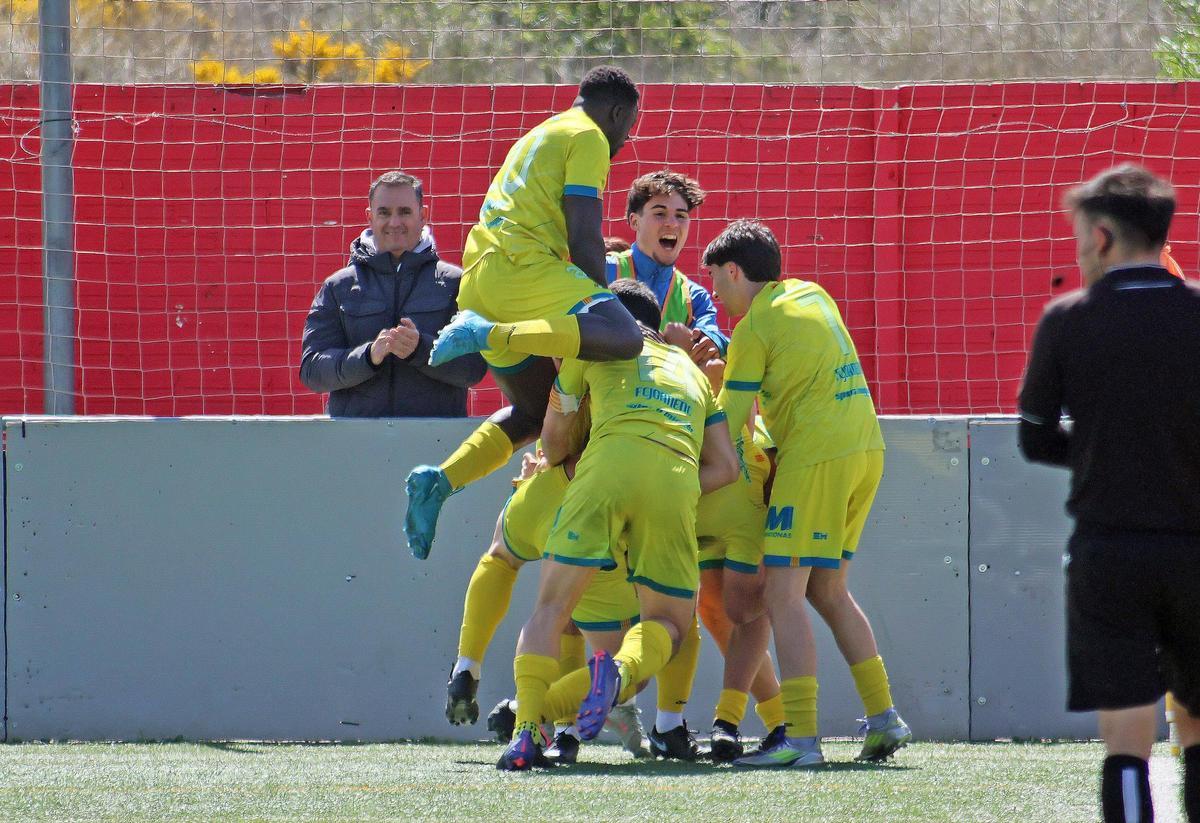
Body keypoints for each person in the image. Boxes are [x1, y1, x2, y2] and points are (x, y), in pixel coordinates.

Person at [1017, 163, 1200, 823]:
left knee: (1126, 736)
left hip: (1109, 550)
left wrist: (1102, 453)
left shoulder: (1068, 321)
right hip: (1195, 550)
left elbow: (1035, 437)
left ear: (1100, 237)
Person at [497, 278, 740, 770]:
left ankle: (526, 733)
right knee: (668, 625)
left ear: (613, 321)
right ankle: (621, 671)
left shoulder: (593, 352)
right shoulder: (692, 374)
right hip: (675, 479)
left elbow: (556, 443)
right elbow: (727, 469)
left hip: (603, 471)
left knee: (551, 609)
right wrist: (671, 483)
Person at [403, 66, 643, 559]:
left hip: (481, 278)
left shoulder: (540, 133)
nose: (625, 140)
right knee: (625, 335)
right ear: (617, 113)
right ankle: (491, 332)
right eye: (629, 126)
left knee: (533, 413)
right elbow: (583, 235)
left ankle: (440, 482)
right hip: (521, 272)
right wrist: (597, 308)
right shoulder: (591, 138)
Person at [705, 219, 910, 768]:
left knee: (781, 596)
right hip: (867, 450)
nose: (717, 296)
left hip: (815, 461)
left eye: (717, 283)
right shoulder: (812, 293)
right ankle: (884, 716)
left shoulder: (752, 329)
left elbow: (729, 419)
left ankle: (800, 739)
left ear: (733, 271)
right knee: (828, 591)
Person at [299, 172, 486, 416]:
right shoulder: (338, 287)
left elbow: (474, 368)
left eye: (405, 212)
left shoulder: (456, 283)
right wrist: (367, 356)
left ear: (423, 215)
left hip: (435, 442)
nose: (394, 222)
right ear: (370, 217)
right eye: (384, 212)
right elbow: (312, 371)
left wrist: (421, 349)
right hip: (353, 443)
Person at [606, 170, 728, 372]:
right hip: (605, 388)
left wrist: (713, 340)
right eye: (660, 213)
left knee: (715, 367)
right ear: (634, 221)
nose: (672, 223)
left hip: (667, 397)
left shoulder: (694, 296)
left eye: (681, 216)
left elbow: (713, 332)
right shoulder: (606, 269)